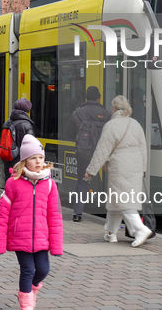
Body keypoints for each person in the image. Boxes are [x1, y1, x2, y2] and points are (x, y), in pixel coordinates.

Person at [0, 135, 63, 310]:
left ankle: (30, 290)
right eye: (33, 158)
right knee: (27, 270)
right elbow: (2, 215)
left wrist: (56, 246)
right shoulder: (13, 183)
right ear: (25, 161)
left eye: (40, 157)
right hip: (19, 237)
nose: (38, 161)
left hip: (41, 238)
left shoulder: (49, 185)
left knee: (43, 270)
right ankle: (26, 304)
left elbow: (54, 217)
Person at [84, 95, 152, 247]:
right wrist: (143, 168)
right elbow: (143, 148)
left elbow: (102, 150)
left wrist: (91, 170)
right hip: (135, 164)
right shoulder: (135, 124)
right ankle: (111, 233)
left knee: (122, 200)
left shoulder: (111, 125)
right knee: (118, 199)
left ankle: (139, 229)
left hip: (119, 165)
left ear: (113, 109)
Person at [65, 86, 111, 222]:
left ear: (86, 98)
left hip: (84, 153)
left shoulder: (77, 113)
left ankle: (77, 214)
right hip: (102, 153)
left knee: (82, 181)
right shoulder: (106, 114)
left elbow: (69, 133)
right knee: (108, 181)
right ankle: (110, 213)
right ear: (99, 98)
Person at [2, 98, 36, 174]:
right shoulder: (26, 125)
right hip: (21, 161)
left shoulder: (7, 122)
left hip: (8, 158)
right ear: (27, 111)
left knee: (10, 181)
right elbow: (31, 146)